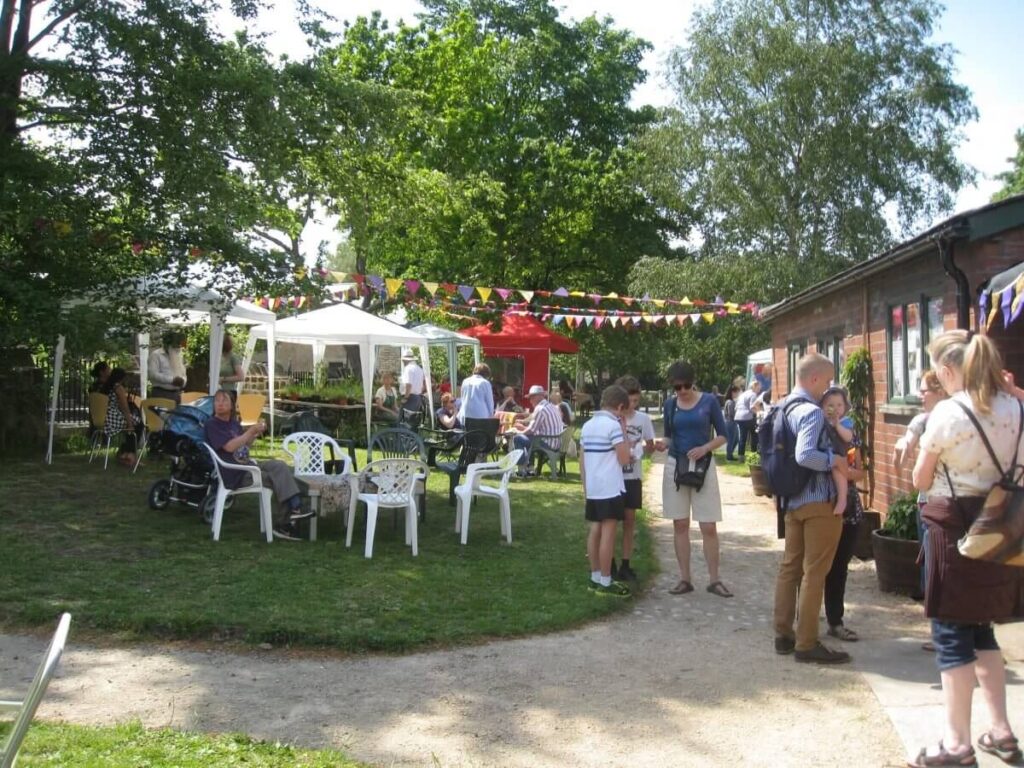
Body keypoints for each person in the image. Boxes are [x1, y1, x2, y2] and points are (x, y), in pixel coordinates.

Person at [909, 330, 1023, 767]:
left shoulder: (947, 413)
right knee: (982, 629)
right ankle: (1002, 731)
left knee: (952, 633)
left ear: (948, 369)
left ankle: (957, 746)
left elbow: (921, 480)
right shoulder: (1015, 407)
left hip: (953, 524)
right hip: (999, 522)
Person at [772, 353, 850, 665]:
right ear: (815, 379)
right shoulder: (812, 412)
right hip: (818, 499)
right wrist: (835, 460)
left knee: (790, 567)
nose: (828, 389)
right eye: (828, 381)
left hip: (791, 498)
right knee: (815, 572)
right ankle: (807, 643)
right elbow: (805, 455)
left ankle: (783, 633)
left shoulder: (780, 406)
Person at [655, 360, 732, 598]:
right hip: (676, 466)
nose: (682, 391)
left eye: (686, 385)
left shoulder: (709, 401)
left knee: (708, 525)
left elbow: (723, 435)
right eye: (677, 387)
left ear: (693, 382)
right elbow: (669, 437)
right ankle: (685, 578)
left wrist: (705, 448)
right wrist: (660, 445)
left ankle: (714, 579)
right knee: (680, 524)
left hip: (702, 466)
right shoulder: (670, 405)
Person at [204, 389, 314, 541]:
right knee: (277, 478)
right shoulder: (212, 424)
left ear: (232, 406)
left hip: (248, 465)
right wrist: (249, 433)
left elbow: (243, 446)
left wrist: (253, 435)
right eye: (217, 400)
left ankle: (294, 509)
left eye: (224, 401)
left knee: (279, 466)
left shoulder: (233, 424)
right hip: (236, 473)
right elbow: (229, 447)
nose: (220, 404)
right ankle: (289, 518)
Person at [894, 369, 948, 603]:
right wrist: (901, 451)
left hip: (935, 501)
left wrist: (902, 453)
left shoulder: (928, 420)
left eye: (924, 390)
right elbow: (901, 459)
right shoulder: (921, 420)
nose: (919, 395)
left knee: (934, 556)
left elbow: (901, 461)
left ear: (940, 391)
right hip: (939, 500)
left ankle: (937, 611)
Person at [821, 386, 867, 643]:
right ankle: (803, 616)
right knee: (815, 564)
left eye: (840, 405)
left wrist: (848, 474)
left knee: (839, 566)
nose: (835, 409)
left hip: (848, 504)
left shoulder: (850, 435)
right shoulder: (816, 429)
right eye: (830, 404)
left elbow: (860, 471)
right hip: (821, 501)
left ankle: (835, 620)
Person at [580, 384, 632, 596]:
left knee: (595, 531)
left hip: (593, 486)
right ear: (620, 407)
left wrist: (585, 487)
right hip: (610, 487)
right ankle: (606, 580)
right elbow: (625, 458)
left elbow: (582, 460)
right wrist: (624, 432)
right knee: (608, 534)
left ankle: (594, 576)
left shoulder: (587, 425)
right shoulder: (613, 427)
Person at [613, 376, 656, 582]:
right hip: (614, 476)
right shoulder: (612, 420)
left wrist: (644, 449)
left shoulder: (643, 420)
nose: (633, 405)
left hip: (633, 476)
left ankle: (626, 563)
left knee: (629, 521)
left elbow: (649, 444)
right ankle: (609, 561)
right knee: (611, 521)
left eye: (636, 402)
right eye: (630, 401)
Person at [509, 385, 563, 475]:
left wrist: (518, 431)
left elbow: (532, 430)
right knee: (528, 438)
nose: (530, 400)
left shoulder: (540, 408)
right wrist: (523, 428)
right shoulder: (551, 406)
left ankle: (521, 469)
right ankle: (530, 468)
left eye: (531, 397)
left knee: (517, 438)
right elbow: (536, 429)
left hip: (547, 442)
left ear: (539, 397)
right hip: (556, 441)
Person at [101, 367, 142, 467]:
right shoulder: (118, 388)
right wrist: (130, 423)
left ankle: (124, 452)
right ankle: (129, 455)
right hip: (113, 418)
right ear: (122, 378)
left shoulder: (105, 387)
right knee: (139, 425)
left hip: (103, 417)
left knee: (131, 427)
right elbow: (124, 407)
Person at [149, 329, 187, 404]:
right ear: (168, 345)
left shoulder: (179, 355)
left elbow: (183, 373)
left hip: (176, 394)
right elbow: (153, 374)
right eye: (175, 347)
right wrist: (172, 380)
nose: (178, 349)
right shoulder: (156, 355)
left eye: (179, 347)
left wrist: (183, 381)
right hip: (161, 394)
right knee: (162, 416)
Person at [733, 380, 761, 458]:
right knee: (754, 434)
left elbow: (736, 407)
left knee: (742, 437)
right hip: (747, 417)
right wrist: (760, 413)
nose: (759, 390)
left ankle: (741, 457)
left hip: (738, 417)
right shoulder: (753, 394)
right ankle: (754, 454)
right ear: (754, 386)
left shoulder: (743, 394)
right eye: (759, 387)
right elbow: (752, 408)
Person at [722, 385, 741, 461]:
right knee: (731, 440)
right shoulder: (730, 402)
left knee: (736, 440)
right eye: (737, 392)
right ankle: (729, 456)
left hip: (732, 423)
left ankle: (730, 454)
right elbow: (731, 413)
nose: (737, 394)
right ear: (733, 392)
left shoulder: (730, 401)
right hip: (731, 422)